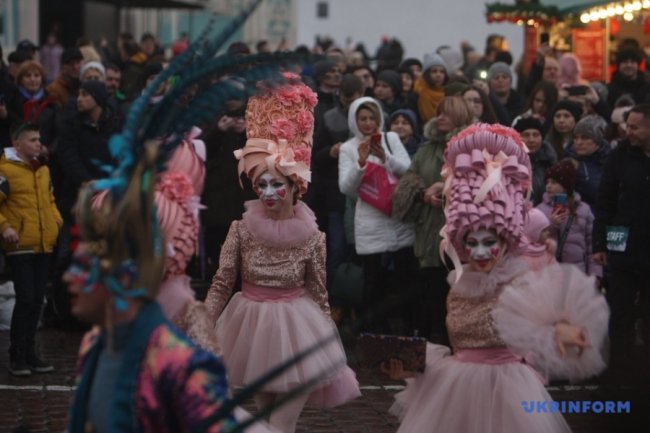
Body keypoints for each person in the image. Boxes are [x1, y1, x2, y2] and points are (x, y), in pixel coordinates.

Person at [384, 123, 609, 433]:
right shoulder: (458, 287)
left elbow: (546, 321)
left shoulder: (519, 282)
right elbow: (457, 352)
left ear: (505, 244)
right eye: (472, 243)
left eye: (489, 242)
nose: (480, 252)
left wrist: (563, 333)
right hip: (457, 389)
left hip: (509, 391)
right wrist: (408, 368)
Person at [205, 73, 360, 433]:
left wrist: (326, 342)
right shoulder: (241, 230)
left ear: (295, 187)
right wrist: (202, 325)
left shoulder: (313, 237)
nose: (268, 191)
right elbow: (221, 283)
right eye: (262, 183)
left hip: (296, 332)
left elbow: (319, 293)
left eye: (277, 183)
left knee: (282, 426)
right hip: (250, 331)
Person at [391, 96, 474, 341]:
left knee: (459, 297)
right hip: (429, 234)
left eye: (446, 113)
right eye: (438, 112)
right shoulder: (426, 150)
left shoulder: (474, 148)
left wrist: (447, 187)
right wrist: (423, 194)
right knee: (432, 298)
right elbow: (406, 184)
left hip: (462, 237)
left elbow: (482, 185)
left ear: (460, 114)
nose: (440, 117)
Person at [339, 97, 416, 334]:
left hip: (398, 218)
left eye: (373, 118)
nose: (368, 123)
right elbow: (345, 187)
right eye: (363, 118)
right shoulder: (348, 148)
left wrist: (385, 158)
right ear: (355, 120)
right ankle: (373, 331)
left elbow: (409, 170)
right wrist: (360, 163)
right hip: (369, 220)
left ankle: (407, 329)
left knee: (405, 277)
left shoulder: (391, 139)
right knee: (373, 280)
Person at [592, 103, 650, 382]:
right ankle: (619, 377)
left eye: (636, 127)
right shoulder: (620, 155)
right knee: (620, 315)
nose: (629, 132)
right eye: (628, 126)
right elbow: (605, 200)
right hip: (624, 247)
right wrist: (600, 243)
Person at [1, 122, 61, 376]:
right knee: (25, 298)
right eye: (32, 140)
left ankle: (30, 352)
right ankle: (17, 354)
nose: (38, 143)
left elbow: (50, 199)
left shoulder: (43, 171)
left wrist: (56, 221)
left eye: (39, 139)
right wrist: (5, 227)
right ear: (17, 144)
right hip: (21, 244)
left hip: (43, 242)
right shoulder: (5, 171)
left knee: (37, 300)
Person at [536, 159, 601, 278]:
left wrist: (595, 274)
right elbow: (533, 239)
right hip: (549, 272)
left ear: (566, 186)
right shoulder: (540, 209)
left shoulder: (583, 209)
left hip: (577, 273)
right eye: (547, 182)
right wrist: (552, 224)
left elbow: (591, 244)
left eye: (554, 182)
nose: (548, 186)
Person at [564, 115, 611, 207]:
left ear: (597, 139)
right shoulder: (569, 163)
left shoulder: (612, 160)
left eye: (584, 138)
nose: (578, 142)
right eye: (576, 138)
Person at [513, 117, 557, 205]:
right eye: (526, 135)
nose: (531, 140)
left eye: (536, 135)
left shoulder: (550, 162)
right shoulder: (510, 164)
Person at [414, 52, 448, 123]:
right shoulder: (417, 93)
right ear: (427, 74)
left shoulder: (448, 94)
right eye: (434, 71)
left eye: (442, 72)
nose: (438, 75)